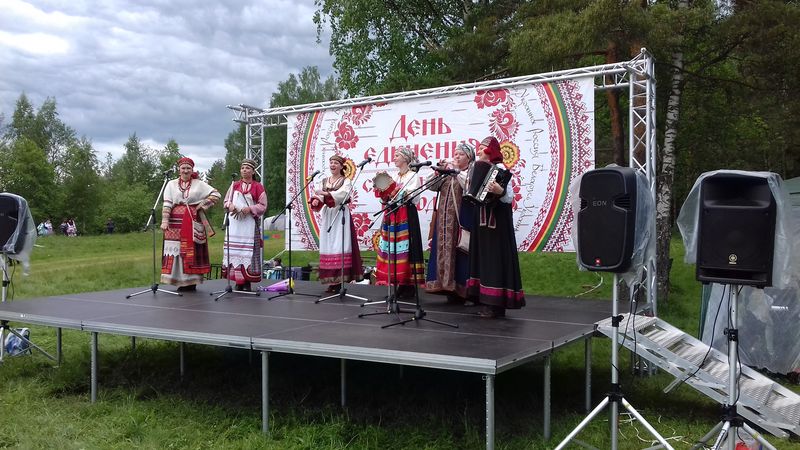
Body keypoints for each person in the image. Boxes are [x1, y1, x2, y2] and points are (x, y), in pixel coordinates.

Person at [466, 136, 525, 318]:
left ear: (490, 150)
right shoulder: (477, 168)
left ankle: (496, 304)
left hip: (497, 224)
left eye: (482, 148)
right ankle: (484, 299)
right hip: (481, 222)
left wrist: (500, 191)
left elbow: (509, 198)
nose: (478, 151)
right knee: (483, 259)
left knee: (496, 260)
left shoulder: (500, 170)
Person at [160, 157, 221, 291]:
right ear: (179, 169)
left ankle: (191, 281)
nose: (186, 170)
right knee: (176, 250)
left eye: (188, 168)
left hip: (193, 220)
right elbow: (167, 203)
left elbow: (216, 194)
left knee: (191, 250)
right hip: (174, 223)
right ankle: (178, 280)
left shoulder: (199, 184)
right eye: (183, 168)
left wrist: (203, 204)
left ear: (192, 169)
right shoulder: (171, 184)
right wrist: (164, 220)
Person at [425, 142, 475, 303]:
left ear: (469, 158)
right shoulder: (447, 173)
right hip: (443, 222)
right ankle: (445, 287)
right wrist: (438, 172)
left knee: (460, 253)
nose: (456, 156)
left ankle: (462, 290)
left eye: (461, 154)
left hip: (461, 220)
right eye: (455, 154)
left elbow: (470, 186)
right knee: (442, 251)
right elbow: (430, 186)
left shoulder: (471, 172)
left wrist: (456, 171)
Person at [374, 146, 425, 295]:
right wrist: (383, 190)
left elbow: (413, 196)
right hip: (393, 214)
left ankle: (407, 283)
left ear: (406, 158)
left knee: (406, 247)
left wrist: (393, 189)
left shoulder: (413, 176)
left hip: (406, 214)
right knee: (394, 248)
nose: (394, 158)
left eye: (397, 155)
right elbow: (388, 197)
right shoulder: (396, 177)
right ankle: (398, 281)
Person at [310, 155, 363, 293]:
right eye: (331, 162)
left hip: (340, 214)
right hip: (328, 214)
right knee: (328, 245)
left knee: (340, 244)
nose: (332, 165)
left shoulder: (345, 181)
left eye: (335, 163)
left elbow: (343, 194)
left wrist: (325, 194)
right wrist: (316, 200)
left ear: (341, 166)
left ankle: (340, 280)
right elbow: (319, 196)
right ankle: (331, 281)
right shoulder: (324, 181)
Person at [222, 158, 267, 291]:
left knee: (248, 252)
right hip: (235, 225)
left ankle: (247, 282)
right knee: (234, 251)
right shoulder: (234, 185)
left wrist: (250, 209)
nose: (244, 170)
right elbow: (226, 201)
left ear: (253, 171)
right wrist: (230, 206)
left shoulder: (258, 186)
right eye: (242, 168)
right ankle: (237, 281)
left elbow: (263, 205)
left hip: (249, 225)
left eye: (247, 168)